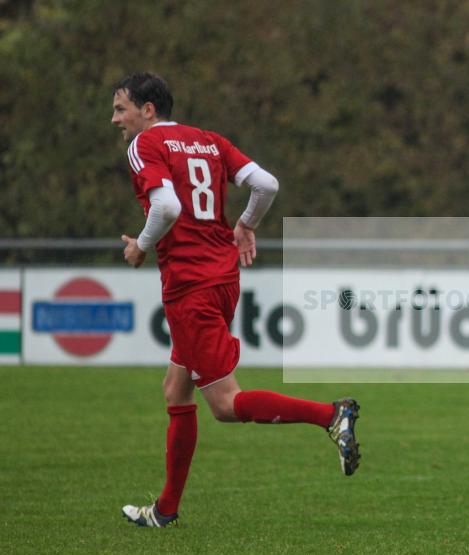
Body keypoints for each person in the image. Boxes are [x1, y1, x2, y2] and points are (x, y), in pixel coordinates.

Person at [111, 72, 361, 528]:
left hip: (191, 287)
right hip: (223, 277)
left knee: (226, 405)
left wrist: (140, 247)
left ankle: (331, 415)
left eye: (120, 108)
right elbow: (266, 184)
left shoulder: (145, 145)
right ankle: (165, 510)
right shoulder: (208, 141)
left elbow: (166, 208)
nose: (115, 119)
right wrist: (245, 223)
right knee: (176, 388)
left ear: (148, 110)